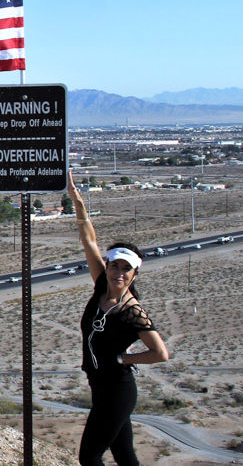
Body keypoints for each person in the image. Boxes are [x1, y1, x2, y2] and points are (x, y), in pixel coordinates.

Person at [67, 170, 169, 466]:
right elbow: (89, 241)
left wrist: (125, 360)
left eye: (127, 269)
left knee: (89, 458)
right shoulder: (101, 284)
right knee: (125, 455)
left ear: (134, 273)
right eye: (115, 266)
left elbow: (160, 353)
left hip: (117, 389)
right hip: (99, 386)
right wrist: (78, 202)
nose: (119, 273)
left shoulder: (132, 310)